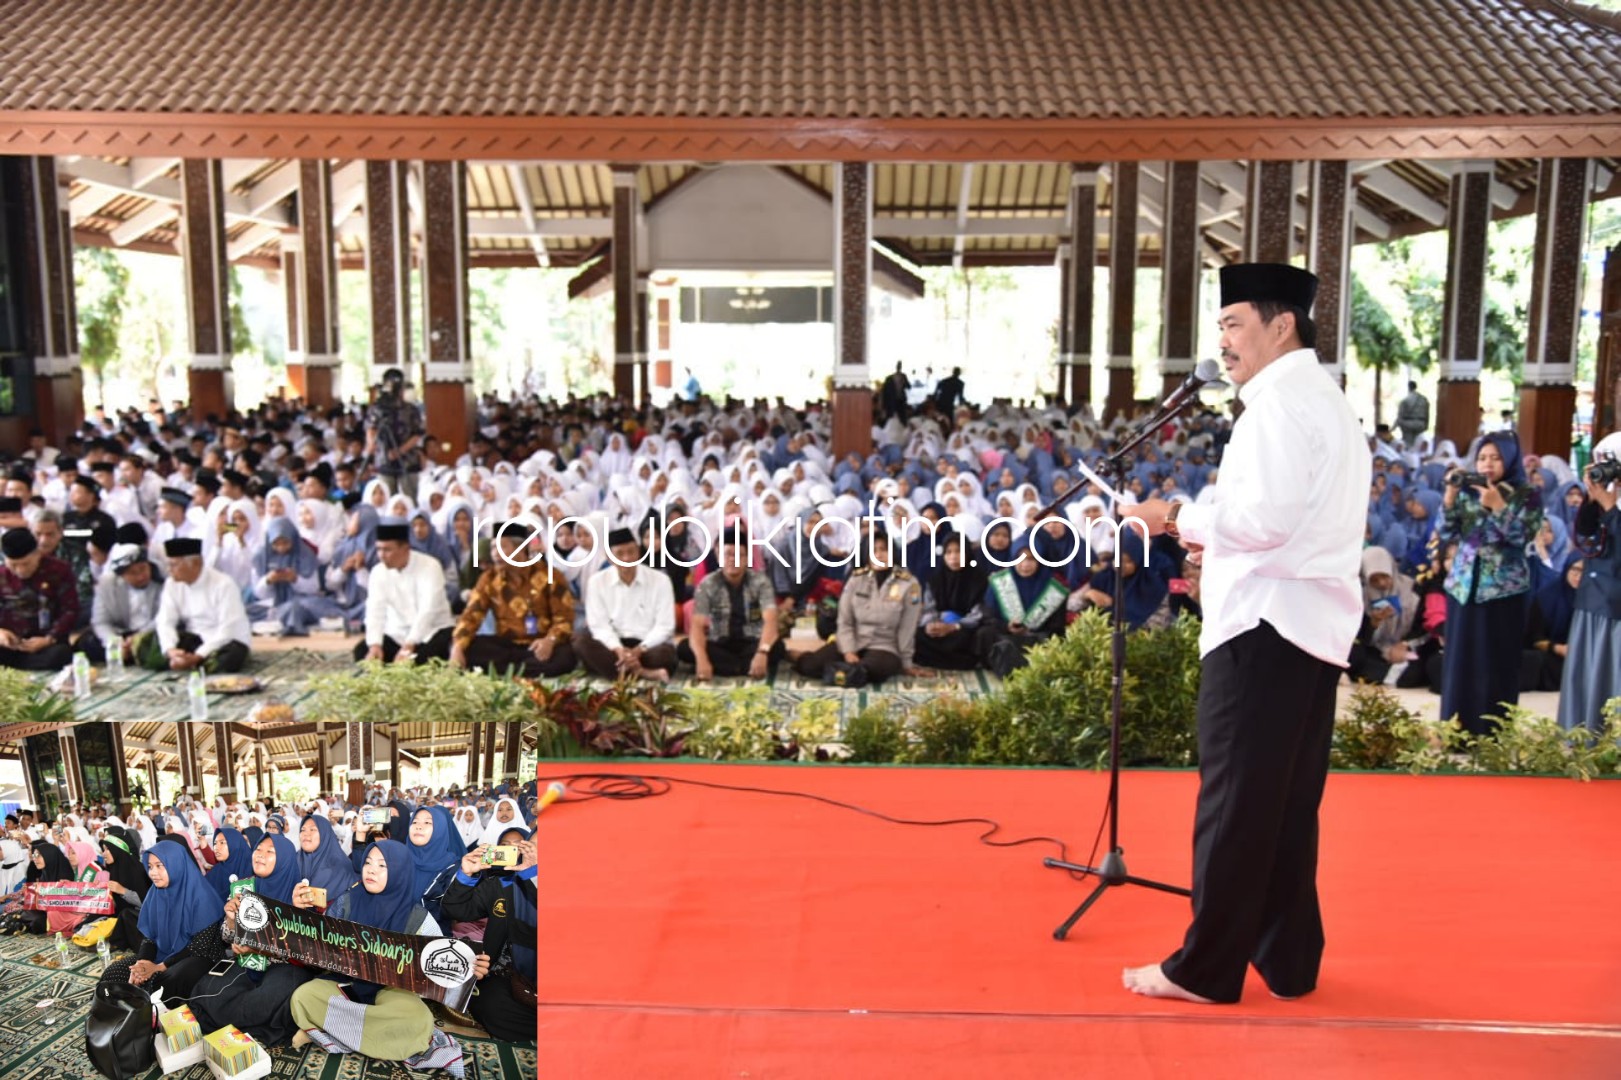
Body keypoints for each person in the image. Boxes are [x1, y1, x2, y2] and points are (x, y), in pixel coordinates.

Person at [1124, 262, 1370, 1004]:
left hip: (1262, 628)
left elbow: (1260, 522)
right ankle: (1288, 959)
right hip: (1305, 627)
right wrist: (1214, 542)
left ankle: (1205, 968)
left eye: (1232, 324)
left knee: (1233, 802)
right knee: (1284, 806)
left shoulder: (1276, 407)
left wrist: (1172, 517)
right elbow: (1286, 524)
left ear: (1280, 323)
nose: (1223, 342)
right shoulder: (1319, 400)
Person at [288, 840, 465, 1074]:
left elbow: (438, 965)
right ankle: (376, 1037)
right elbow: (321, 944)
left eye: (383, 865)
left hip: (391, 992)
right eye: (368, 862)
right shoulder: (347, 901)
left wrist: (468, 968)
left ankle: (331, 1030)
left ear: (400, 872)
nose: (371, 869)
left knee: (418, 1019)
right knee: (303, 996)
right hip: (345, 983)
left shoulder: (418, 918)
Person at [1437, 432, 1541, 736]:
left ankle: (1491, 733)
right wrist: (1449, 498)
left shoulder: (1527, 493)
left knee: (1495, 662)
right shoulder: (1468, 490)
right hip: (1463, 587)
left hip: (1502, 591)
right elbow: (1445, 532)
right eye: (1482, 458)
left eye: (1495, 458)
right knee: (1460, 662)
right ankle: (1456, 731)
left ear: (1509, 459)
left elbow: (1522, 538)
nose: (1487, 464)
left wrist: (1498, 507)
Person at [190, 833, 315, 1047]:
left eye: (270, 852)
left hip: (285, 967)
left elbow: (304, 951)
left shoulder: (301, 896)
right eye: (258, 850)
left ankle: (237, 1024)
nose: (260, 856)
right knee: (206, 989)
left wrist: (260, 946)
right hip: (249, 963)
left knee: (264, 1000)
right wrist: (230, 922)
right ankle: (253, 1028)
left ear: (284, 860)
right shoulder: (245, 889)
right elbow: (226, 937)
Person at [793, 526, 927, 687]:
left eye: (884, 549)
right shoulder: (856, 579)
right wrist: (848, 651)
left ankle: (842, 671)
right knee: (810, 666)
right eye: (874, 550)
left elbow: (907, 628)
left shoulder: (909, 584)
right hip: (853, 639)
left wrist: (906, 663)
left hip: (885, 645)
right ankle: (804, 658)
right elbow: (844, 620)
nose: (879, 555)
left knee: (874, 670)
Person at [441, 830, 537, 1042]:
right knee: (486, 1003)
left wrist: (535, 877)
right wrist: (467, 874)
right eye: (531, 847)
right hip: (511, 979)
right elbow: (455, 909)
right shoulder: (503, 885)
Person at [100, 838, 229, 998]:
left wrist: (160, 967)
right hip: (164, 953)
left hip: (198, 958)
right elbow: (150, 938)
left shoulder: (202, 896)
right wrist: (142, 963)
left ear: (176, 864)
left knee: (168, 980)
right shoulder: (155, 894)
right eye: (150, 867)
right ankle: (115, 1013)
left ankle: (150, 1015)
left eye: (160, 866)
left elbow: (199, 947)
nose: (153, 872)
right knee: (113, 973)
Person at [450, 520, 577, 678]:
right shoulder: (489, 578)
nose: (495, 553)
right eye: (493, 547)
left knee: (565, 657)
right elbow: (471, 616)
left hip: (541, 644)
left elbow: (564, 619)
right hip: (506, 646)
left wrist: (550, 641)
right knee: (467, 647)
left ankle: (510, 669)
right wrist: (457, 648)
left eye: (503, 546)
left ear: (521, 548)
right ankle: (524, 669)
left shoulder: (551, 575)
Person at [1559, 442, 1621, 733]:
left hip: (1616, 606)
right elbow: (1585, 533)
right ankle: (1585, 735)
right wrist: (1592, 496)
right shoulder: (1605, 494)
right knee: (1587, 672)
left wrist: (1611, 508)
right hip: (1592, 599)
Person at [578, 527, 678, 682]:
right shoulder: (597, 582)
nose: (626, 558)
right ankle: (643, 673)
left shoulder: (660, 580)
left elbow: (665, 626)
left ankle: (619, 672)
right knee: (581, 641)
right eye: (619, 554)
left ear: (638, 552)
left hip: (647, 646)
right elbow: (598, 625)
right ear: (609, 557)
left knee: (665, 655)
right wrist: (618, 649)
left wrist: (639, 650)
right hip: (613, 645)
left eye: (631, 552)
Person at [680, 535, 784, 681]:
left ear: (747, 559)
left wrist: (762, 653)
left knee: (777, 646)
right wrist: (702, 659)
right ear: (718, 556)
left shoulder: (761, 582)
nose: (732, 559)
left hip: (752, 642)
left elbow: (771, 621)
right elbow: (697, 625)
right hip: (719, 642)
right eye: (727, 554)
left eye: (739, 555)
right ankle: (742, 667)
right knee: (685, 648)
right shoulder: (708, 583)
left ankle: (731, 668)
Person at [359, 520, 456, 664]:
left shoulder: (430, 566)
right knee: (361, 652)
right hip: (398, 634)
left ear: (405, 548)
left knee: (423, 659)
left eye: (387, 550)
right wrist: (375, 645)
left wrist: (410, 644)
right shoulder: (377, 572)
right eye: (378, 549)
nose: (381, 555)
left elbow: (428, 610)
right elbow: (375, 610)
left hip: (432, 631)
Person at [150, 537, 252, 672]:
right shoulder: (171, 584)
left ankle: (192, 663)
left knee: (230, 656)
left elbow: (228, 629)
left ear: (196, 563)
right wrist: (171, 650)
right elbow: (165, 621)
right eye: (168, 565)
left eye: (174, 565)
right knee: (148, 641)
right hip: (194, 639)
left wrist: (198, 656)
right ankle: (183, 661)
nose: (169, 570)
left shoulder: (224, 584)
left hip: (223, 642)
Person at [0, 526, 79, 671]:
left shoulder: (59, 570)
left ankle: (16, 666)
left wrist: (49, 638)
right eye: (13, 565)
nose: (20, 570)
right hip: (10, 644)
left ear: (38, 554)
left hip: (47, 642)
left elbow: (70, 610)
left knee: (61, 654)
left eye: (26, 563)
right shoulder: (1, 575)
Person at [911, 532, 985, 670]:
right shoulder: (935, 578)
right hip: (940, 625)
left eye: (958, 551)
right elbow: (928, 607)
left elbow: (978, 614)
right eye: (949, 552)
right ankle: (952, 661)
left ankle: (944, 659)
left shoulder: (978, 579)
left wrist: (954, 626)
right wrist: (932, 625)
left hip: (963, 628)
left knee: (973, 638)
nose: (954, 557)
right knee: (916, 635)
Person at [85, 542, 164, 666]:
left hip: (150, 633)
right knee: (87, 642)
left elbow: (163, 617)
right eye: (132, 573)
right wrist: (115, 643)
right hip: (121, 634)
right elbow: (100, 621)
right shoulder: (106, 584)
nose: (140, 576)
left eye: (143, 568)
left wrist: (138, 639)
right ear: (121, 575)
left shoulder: (162, 579)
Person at [365, 368, 425, 497]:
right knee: (386, 495)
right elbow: (371, 428)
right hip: (384, 460)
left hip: (408, 461)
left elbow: (417, 434)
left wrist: (400, 451)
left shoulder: (411, 409)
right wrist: (371, 444)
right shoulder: (377, 408)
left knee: (409, 496)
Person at [1395, 381, 1430, 449]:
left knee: (1408, 443)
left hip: (1408, 424)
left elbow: (1400, 415)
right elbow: (1427, 413)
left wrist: (1396, 425)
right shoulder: (1423, 399)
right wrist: (1426, 425)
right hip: (1420, 423)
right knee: (1419, 443)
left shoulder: (1405, 400)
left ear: (1408, 387)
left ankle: (1409, 457)